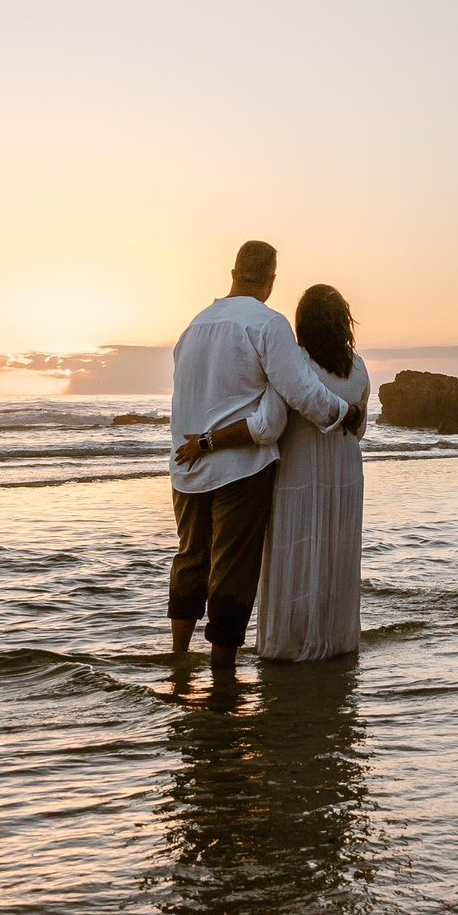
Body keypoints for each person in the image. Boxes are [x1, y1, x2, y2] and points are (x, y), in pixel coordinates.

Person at [168, 241, 364, 674]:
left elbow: (186, 395)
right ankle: (223, 673)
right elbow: (300, 392)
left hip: (186, 465)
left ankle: (179, 662)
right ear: (272, 279)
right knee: (233, 572)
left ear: (234, 271)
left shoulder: (195, 325)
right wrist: (344, 411)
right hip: (239, 467)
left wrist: (198, 444)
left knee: (191, 561)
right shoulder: (267, 324)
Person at [254, 284, 368, 661]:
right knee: (337, 553)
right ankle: (336, 640)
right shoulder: (358, 367)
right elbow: (360, 427)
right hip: (346, 465)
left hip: (299, 464)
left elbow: (271, 421)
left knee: (295, 550)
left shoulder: (294, 363)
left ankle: (289, 643)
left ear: (301, 324)